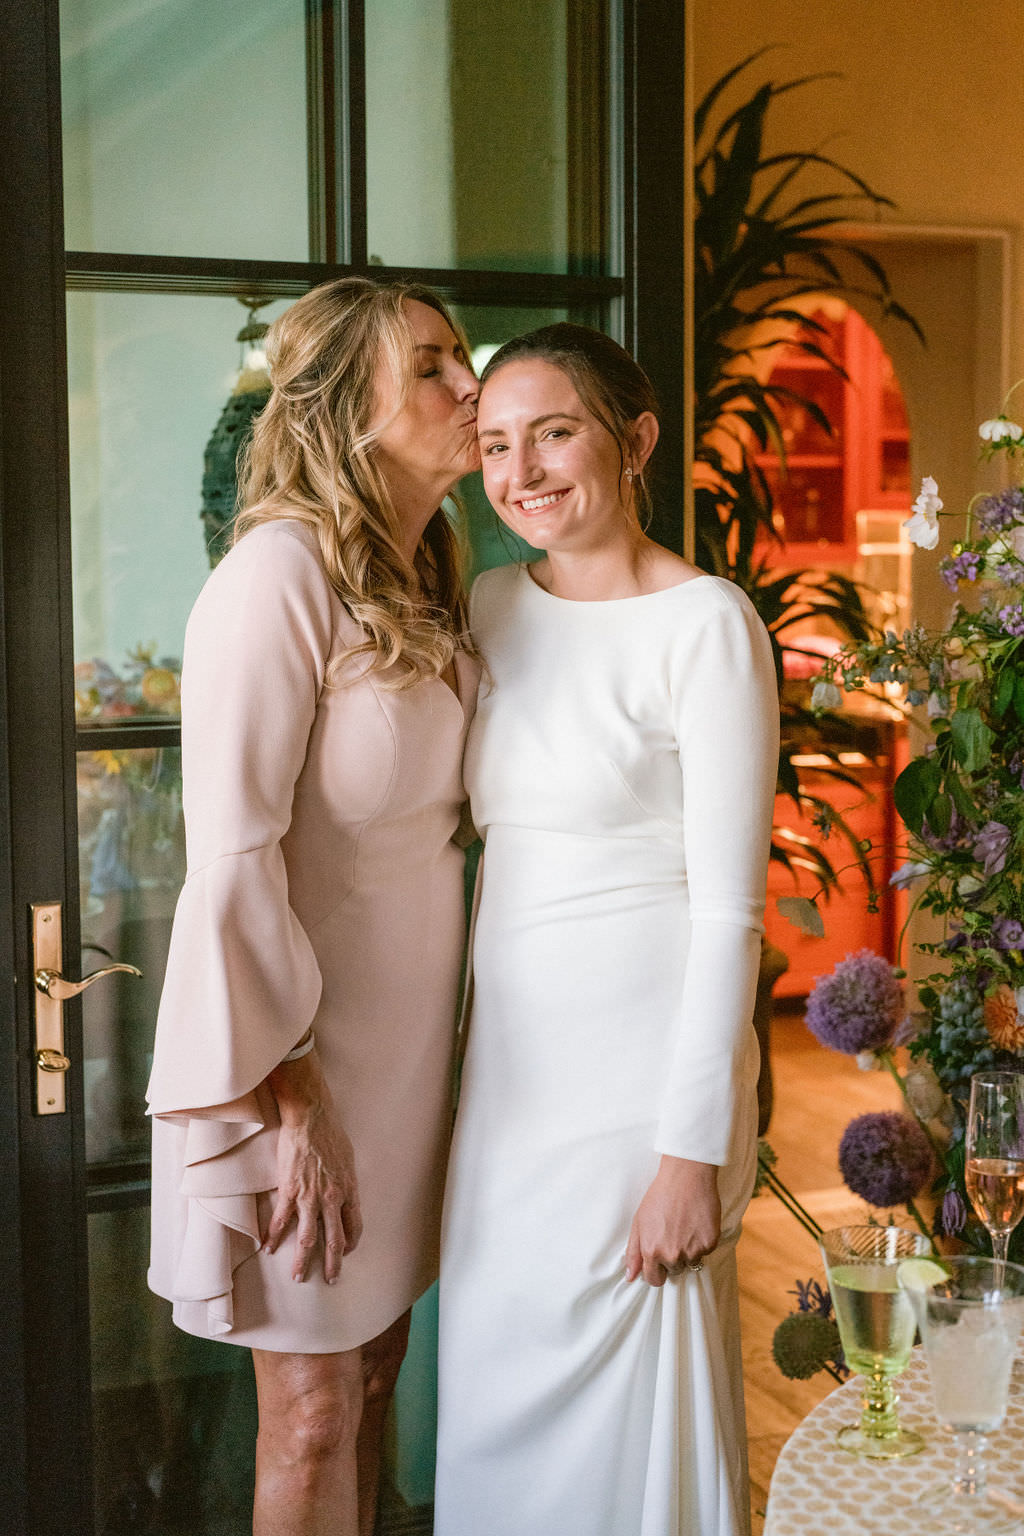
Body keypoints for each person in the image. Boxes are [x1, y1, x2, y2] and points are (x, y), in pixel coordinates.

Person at [146, 276, 480, 1536]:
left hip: (413, 1060)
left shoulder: (433, 571)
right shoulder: (273, 576)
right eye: (432, 366)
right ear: (345, 406)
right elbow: (233, 857)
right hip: (295, 1066)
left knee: (379, 1372)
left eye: (461, 356)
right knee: (310, 1413)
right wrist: (290, 1095)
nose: (470, 386)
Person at [435, 324, 779, 1536]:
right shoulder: (488, 605)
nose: (520, 471)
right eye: (494, 444)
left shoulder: (707, 624)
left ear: (633, 441)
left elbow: (731, 912)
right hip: (508, 1094)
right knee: (494, 1399)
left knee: (633, 1432)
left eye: (553, 433)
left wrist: (690, 1151)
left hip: (637, 1106)